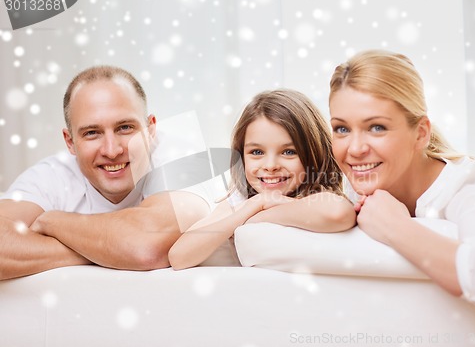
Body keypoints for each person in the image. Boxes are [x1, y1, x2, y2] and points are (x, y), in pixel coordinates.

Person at [0, 65, 209, 280]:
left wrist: (52, 221)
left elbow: (146, 249)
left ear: (150, 129)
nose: (112, 150)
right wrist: (109, 250)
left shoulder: (182, 156)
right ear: (70, 142)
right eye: (92, 133)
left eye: (125, 127)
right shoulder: (50, 176)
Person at [328, 49, 475, 308]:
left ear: (420, 133)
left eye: (377, 127)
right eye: (342, 129)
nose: (354, 149)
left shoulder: (467, 187)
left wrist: (395, 227)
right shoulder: (352, 183)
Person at [168, 89, 357, 270]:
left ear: (315, 153)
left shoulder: (317, 195)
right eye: (257, 152)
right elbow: (179, 257)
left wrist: (260, 212)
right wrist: (257, 203)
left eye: (289, 152)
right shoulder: (239, 202)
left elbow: (339, 213)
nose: (270, 165)